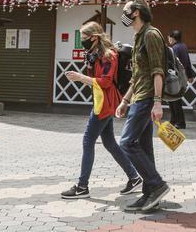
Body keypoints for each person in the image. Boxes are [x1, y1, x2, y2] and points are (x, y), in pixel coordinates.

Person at [60, 21, 141, 199]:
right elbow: (95, 78)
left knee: (88, 141)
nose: (82, 41)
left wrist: (80, 78)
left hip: (105, 102)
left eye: (84, 38)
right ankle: (134, 177)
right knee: (109, 142)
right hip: (102, 101)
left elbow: (104, 81)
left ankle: (82, 186)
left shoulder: (108, 55)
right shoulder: (94, 54)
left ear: (95, 38)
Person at [116, 0, 170, 212]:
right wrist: (125, 100)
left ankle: (156, 185)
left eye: (126, 10)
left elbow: (158, 70)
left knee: (127, 143)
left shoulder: (151, 34)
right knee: (145, 148)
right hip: (138, 96)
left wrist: (157, 102)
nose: (124, 14)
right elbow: (136, 76)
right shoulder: (138, 36)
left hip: (147, 98)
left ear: (136, 11)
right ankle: (150, 194)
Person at [166, 30, 195, 130]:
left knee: (174, 99)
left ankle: (179, 122)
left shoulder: (174, 49)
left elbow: (172, 63)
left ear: (173, 38)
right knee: (175, 99)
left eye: (169, 38)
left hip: (174, 77)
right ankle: (174, 120)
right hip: (182, 76)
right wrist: (190, 75)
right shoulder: (183, 46)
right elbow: (188, 62)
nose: (168, 40)